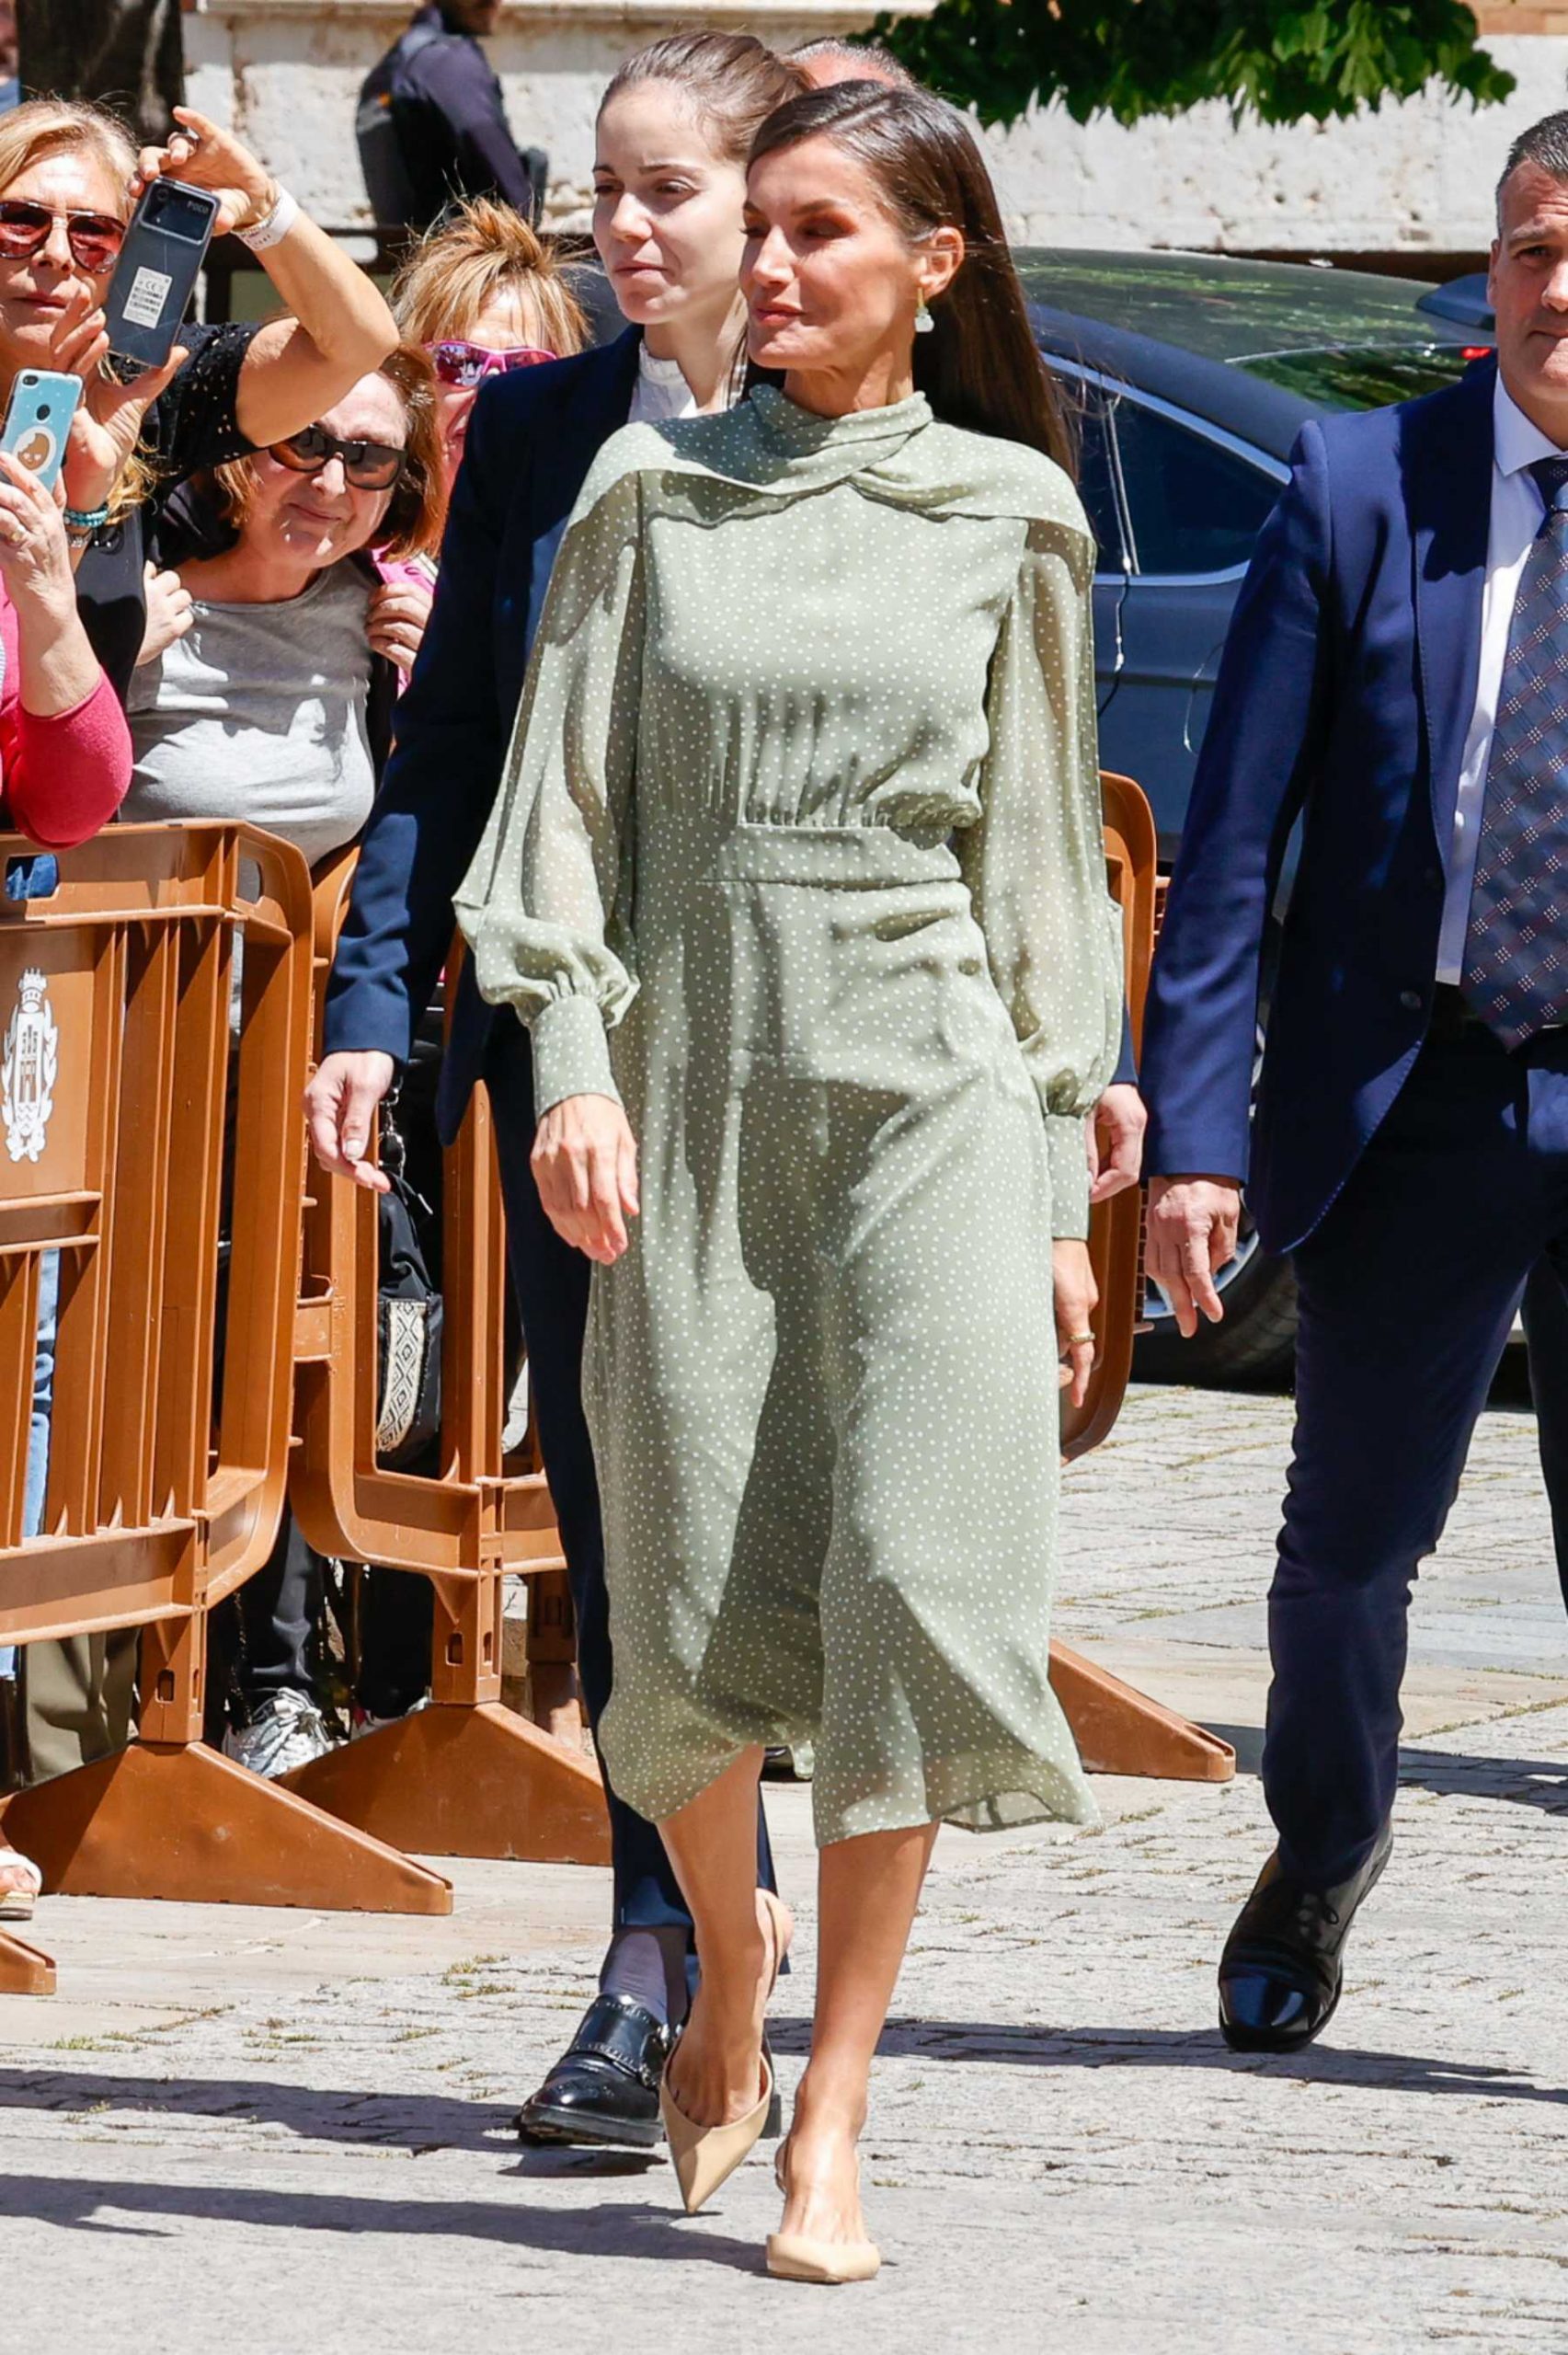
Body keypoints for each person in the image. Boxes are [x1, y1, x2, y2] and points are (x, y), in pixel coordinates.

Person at [454, 78, 1122, 2280]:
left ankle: (834, 2099)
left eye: (824, 228)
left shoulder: (1014, 512)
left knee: (921, 1572)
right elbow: (559, 822)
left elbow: (1035, 880)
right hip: (690, 1082)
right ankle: (716, 1965)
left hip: (925, 1093)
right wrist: (569, 1056)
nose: (778, 261)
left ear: (936, 263)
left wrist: (1049, 1191)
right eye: (769, 224)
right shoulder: (648, 492)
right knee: (682, 1589)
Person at [310, 29, 807, 2154]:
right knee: (616, 1514)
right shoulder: (528, 433)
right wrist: (364, 995)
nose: (621, 226)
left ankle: (772, 1939)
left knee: (772, 1520)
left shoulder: (873, 436)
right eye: (604, 185)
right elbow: (450, 748)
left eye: (663, 189)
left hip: (806, 1066)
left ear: (770, 205)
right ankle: (650, 1957)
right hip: (574, 1060)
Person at [1140, 107, 1568, 2057]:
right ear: (1489, 270)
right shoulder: (1359, 482)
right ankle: (1321, 1846)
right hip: (1423, 1096)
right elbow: (1233, 843)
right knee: (1344, 1556)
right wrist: (1196, 1135)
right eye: (1535, 248)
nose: (1561, 290)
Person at [121, 350, 442, 1777]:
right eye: (303, 442)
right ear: (239, 439)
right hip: (119, 1054)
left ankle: (272, 1681)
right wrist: (103, 645)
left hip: (292, 1072)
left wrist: (418, 682)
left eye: (371, 461)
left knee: (281, 1346)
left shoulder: (367, 625)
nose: (331, 482)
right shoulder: (139, 581)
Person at [0, 436, 132, 1913]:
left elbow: (75, 797)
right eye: (27, 223)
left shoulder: (35, 483)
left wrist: (46, 596)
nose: (58, 263)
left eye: (92, 237)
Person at [356, 0, 546, 239]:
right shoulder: (446, 62)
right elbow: (514, 203)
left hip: (407, 262)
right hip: (458, 264)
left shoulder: (393, 66)